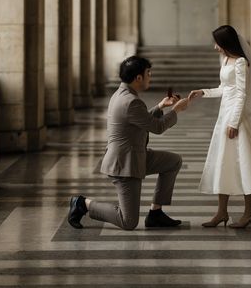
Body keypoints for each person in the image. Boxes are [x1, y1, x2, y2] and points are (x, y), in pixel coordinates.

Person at [68, 55, 189, 231]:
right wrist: (176, 110)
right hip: (125, 165)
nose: (150, 77)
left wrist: (160, 106)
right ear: (138, 77)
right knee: (128, 222)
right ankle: (83, 204)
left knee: (173, 161)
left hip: (136, 155)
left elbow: (140, 120)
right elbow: (158, 127)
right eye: (149, 73)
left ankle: (155, 213)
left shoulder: (123, 94)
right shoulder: (130, 101)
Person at [189, 25, 251, 228]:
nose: (215, 47)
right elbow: (224, 89)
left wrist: (234, 123)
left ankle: (249, 213)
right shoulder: (226, 59)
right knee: (223, 163)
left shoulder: (241, 62)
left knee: (243, 163)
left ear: (225, 43)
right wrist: (203, 92)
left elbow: (241, 94)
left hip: (235, 118)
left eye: (217, 42)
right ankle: (221, 212)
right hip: (223, 116)